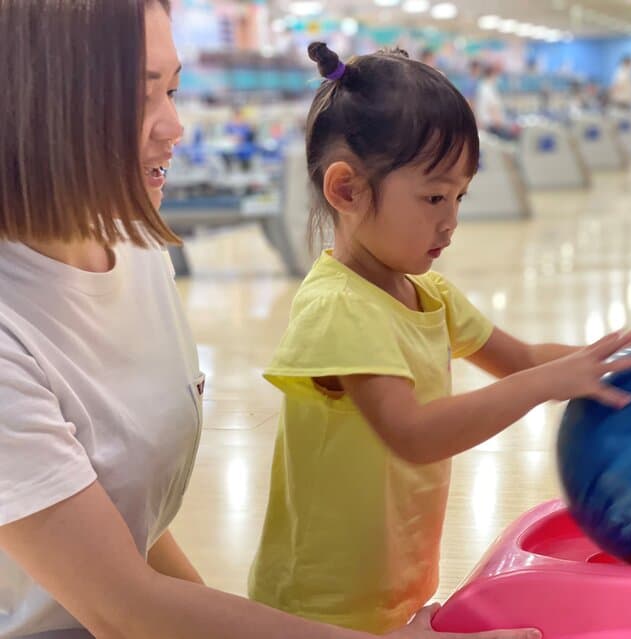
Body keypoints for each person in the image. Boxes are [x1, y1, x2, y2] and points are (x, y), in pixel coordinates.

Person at [0, 3, 539, 639]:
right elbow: (122, 607)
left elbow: (120, 527)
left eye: (173, 89)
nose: (175, 125)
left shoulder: (134, 247)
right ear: (36, 105)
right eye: (140, 97)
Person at [248, 41, 631, 636]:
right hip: (317, 611)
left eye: (459, 197)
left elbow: (521, 359)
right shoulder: (338, 306)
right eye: (434, 197)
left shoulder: (429, 295)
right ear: (347, 191)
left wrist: (622, 355)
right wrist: (545, 385)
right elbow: (413, 434)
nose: (451, 221)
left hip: (390, 597)